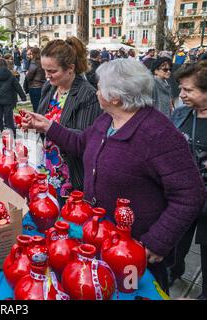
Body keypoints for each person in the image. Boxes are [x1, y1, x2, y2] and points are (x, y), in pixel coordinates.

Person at [21, 58, 207, 294]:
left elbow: (190, 193)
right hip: (98, 239)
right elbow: (81, 144)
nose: (96, 91)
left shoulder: (159, 133)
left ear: (115, 97)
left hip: (135, 251)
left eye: (100, 87)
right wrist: (48, 127)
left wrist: (158, 241)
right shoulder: (108, 119)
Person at [36, 38, 103, 200]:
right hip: (48, 166)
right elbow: (44, 119)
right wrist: (33, 123)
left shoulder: (87, 95)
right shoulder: (50, 87)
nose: (47, 76)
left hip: (71, 174)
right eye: (45, 70)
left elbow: (84, 140)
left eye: (52, 71)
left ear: (70, 69)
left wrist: (48, 127)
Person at [169, 61, 207, 300]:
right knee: (175, 242)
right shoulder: (181, 114)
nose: (181, 95)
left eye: (188, 90)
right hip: (182, 196)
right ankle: (173, 273)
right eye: (181, 89)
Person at [25, 47, 46, 113]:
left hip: (35, 87)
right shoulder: (41, 61)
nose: (29, 56)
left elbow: (29, 76)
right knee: (41, 105)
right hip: (42, 85)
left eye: (30, 54)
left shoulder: (34, 62)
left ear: (33, 54)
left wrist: (27, 74)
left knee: (36, 106)